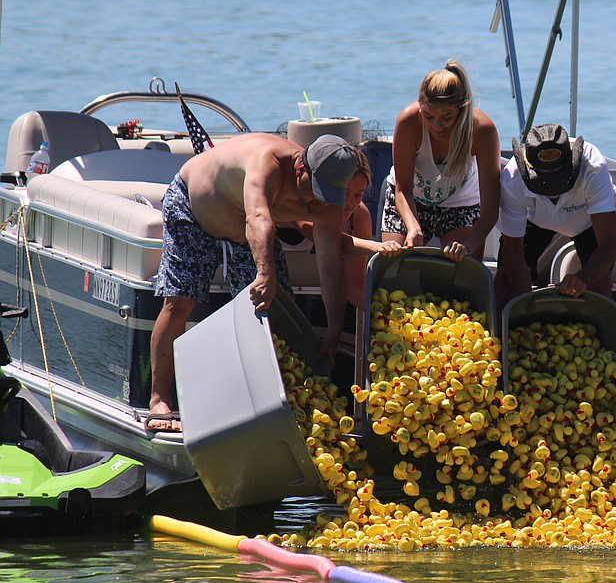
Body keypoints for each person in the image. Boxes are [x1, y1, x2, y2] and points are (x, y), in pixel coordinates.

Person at [145, 133, 369, 432]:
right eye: (317, 190)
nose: (320, 199)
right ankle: (159, 399)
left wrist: (334, 329)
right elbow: (258, 218)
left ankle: (271, 406)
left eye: (328, 194)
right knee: (179, 302)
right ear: (301, 168)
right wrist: (265, 274)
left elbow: (329, 264)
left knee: (279, 313)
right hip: (194, 205)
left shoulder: (331, 200)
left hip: (243, 230)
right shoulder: (267, 161)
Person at [494, 123, 616, 316]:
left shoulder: (593, 166)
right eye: (543, 184)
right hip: (534, 218)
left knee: (599, 289)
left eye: (560, 182)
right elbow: (514, 252)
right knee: (505, 281)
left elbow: (610, 244)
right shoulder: (512, 178)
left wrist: (581, 279)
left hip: (587, 219)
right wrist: (527, 305)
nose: (553, 193)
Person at [381, 59, 501, 261]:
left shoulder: (482, 130)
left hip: (461, 205)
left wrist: (468, 247)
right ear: (420, 105)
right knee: (394, 265)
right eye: (428, 116)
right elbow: (403, 190)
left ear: (462, 111)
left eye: (447, 117)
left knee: (462, 269)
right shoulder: (408, 121)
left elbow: (490, 210)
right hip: (410, 201)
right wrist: (413, 228)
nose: (437, 125)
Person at [277, 163, 391, 311]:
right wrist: (376, 246)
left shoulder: (360, 215)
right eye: (345, 192)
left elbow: (354, 287)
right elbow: (330, 240)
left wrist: (387, 313)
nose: (350, 202)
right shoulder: (302, 204)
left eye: (358, 195)